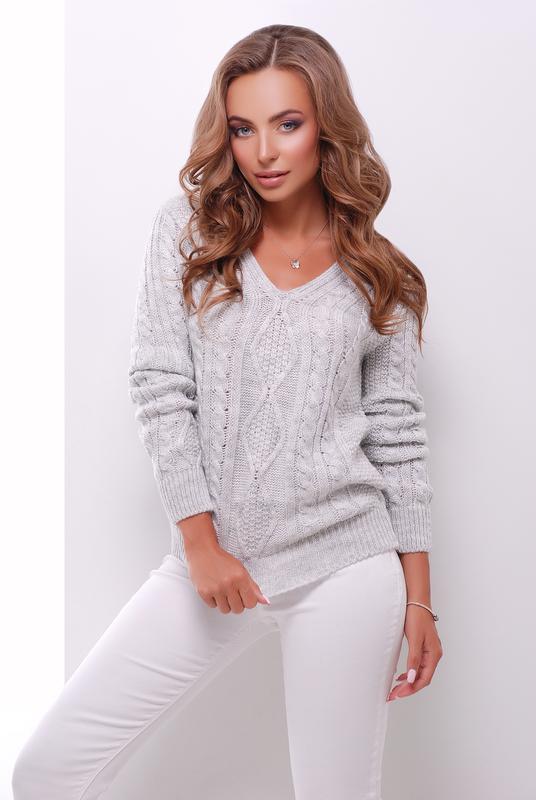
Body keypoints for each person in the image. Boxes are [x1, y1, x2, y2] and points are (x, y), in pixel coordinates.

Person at [12, 23, 442, 800]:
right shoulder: (188, 233)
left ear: (327, 126)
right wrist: (200, 543)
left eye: (288, 124)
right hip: (212, 565)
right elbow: (160, 385)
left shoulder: (381, 276)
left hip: (346, 566)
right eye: (243, 128)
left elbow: (399, 439)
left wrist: (419, 598)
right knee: (46, 769)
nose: (264, 152)